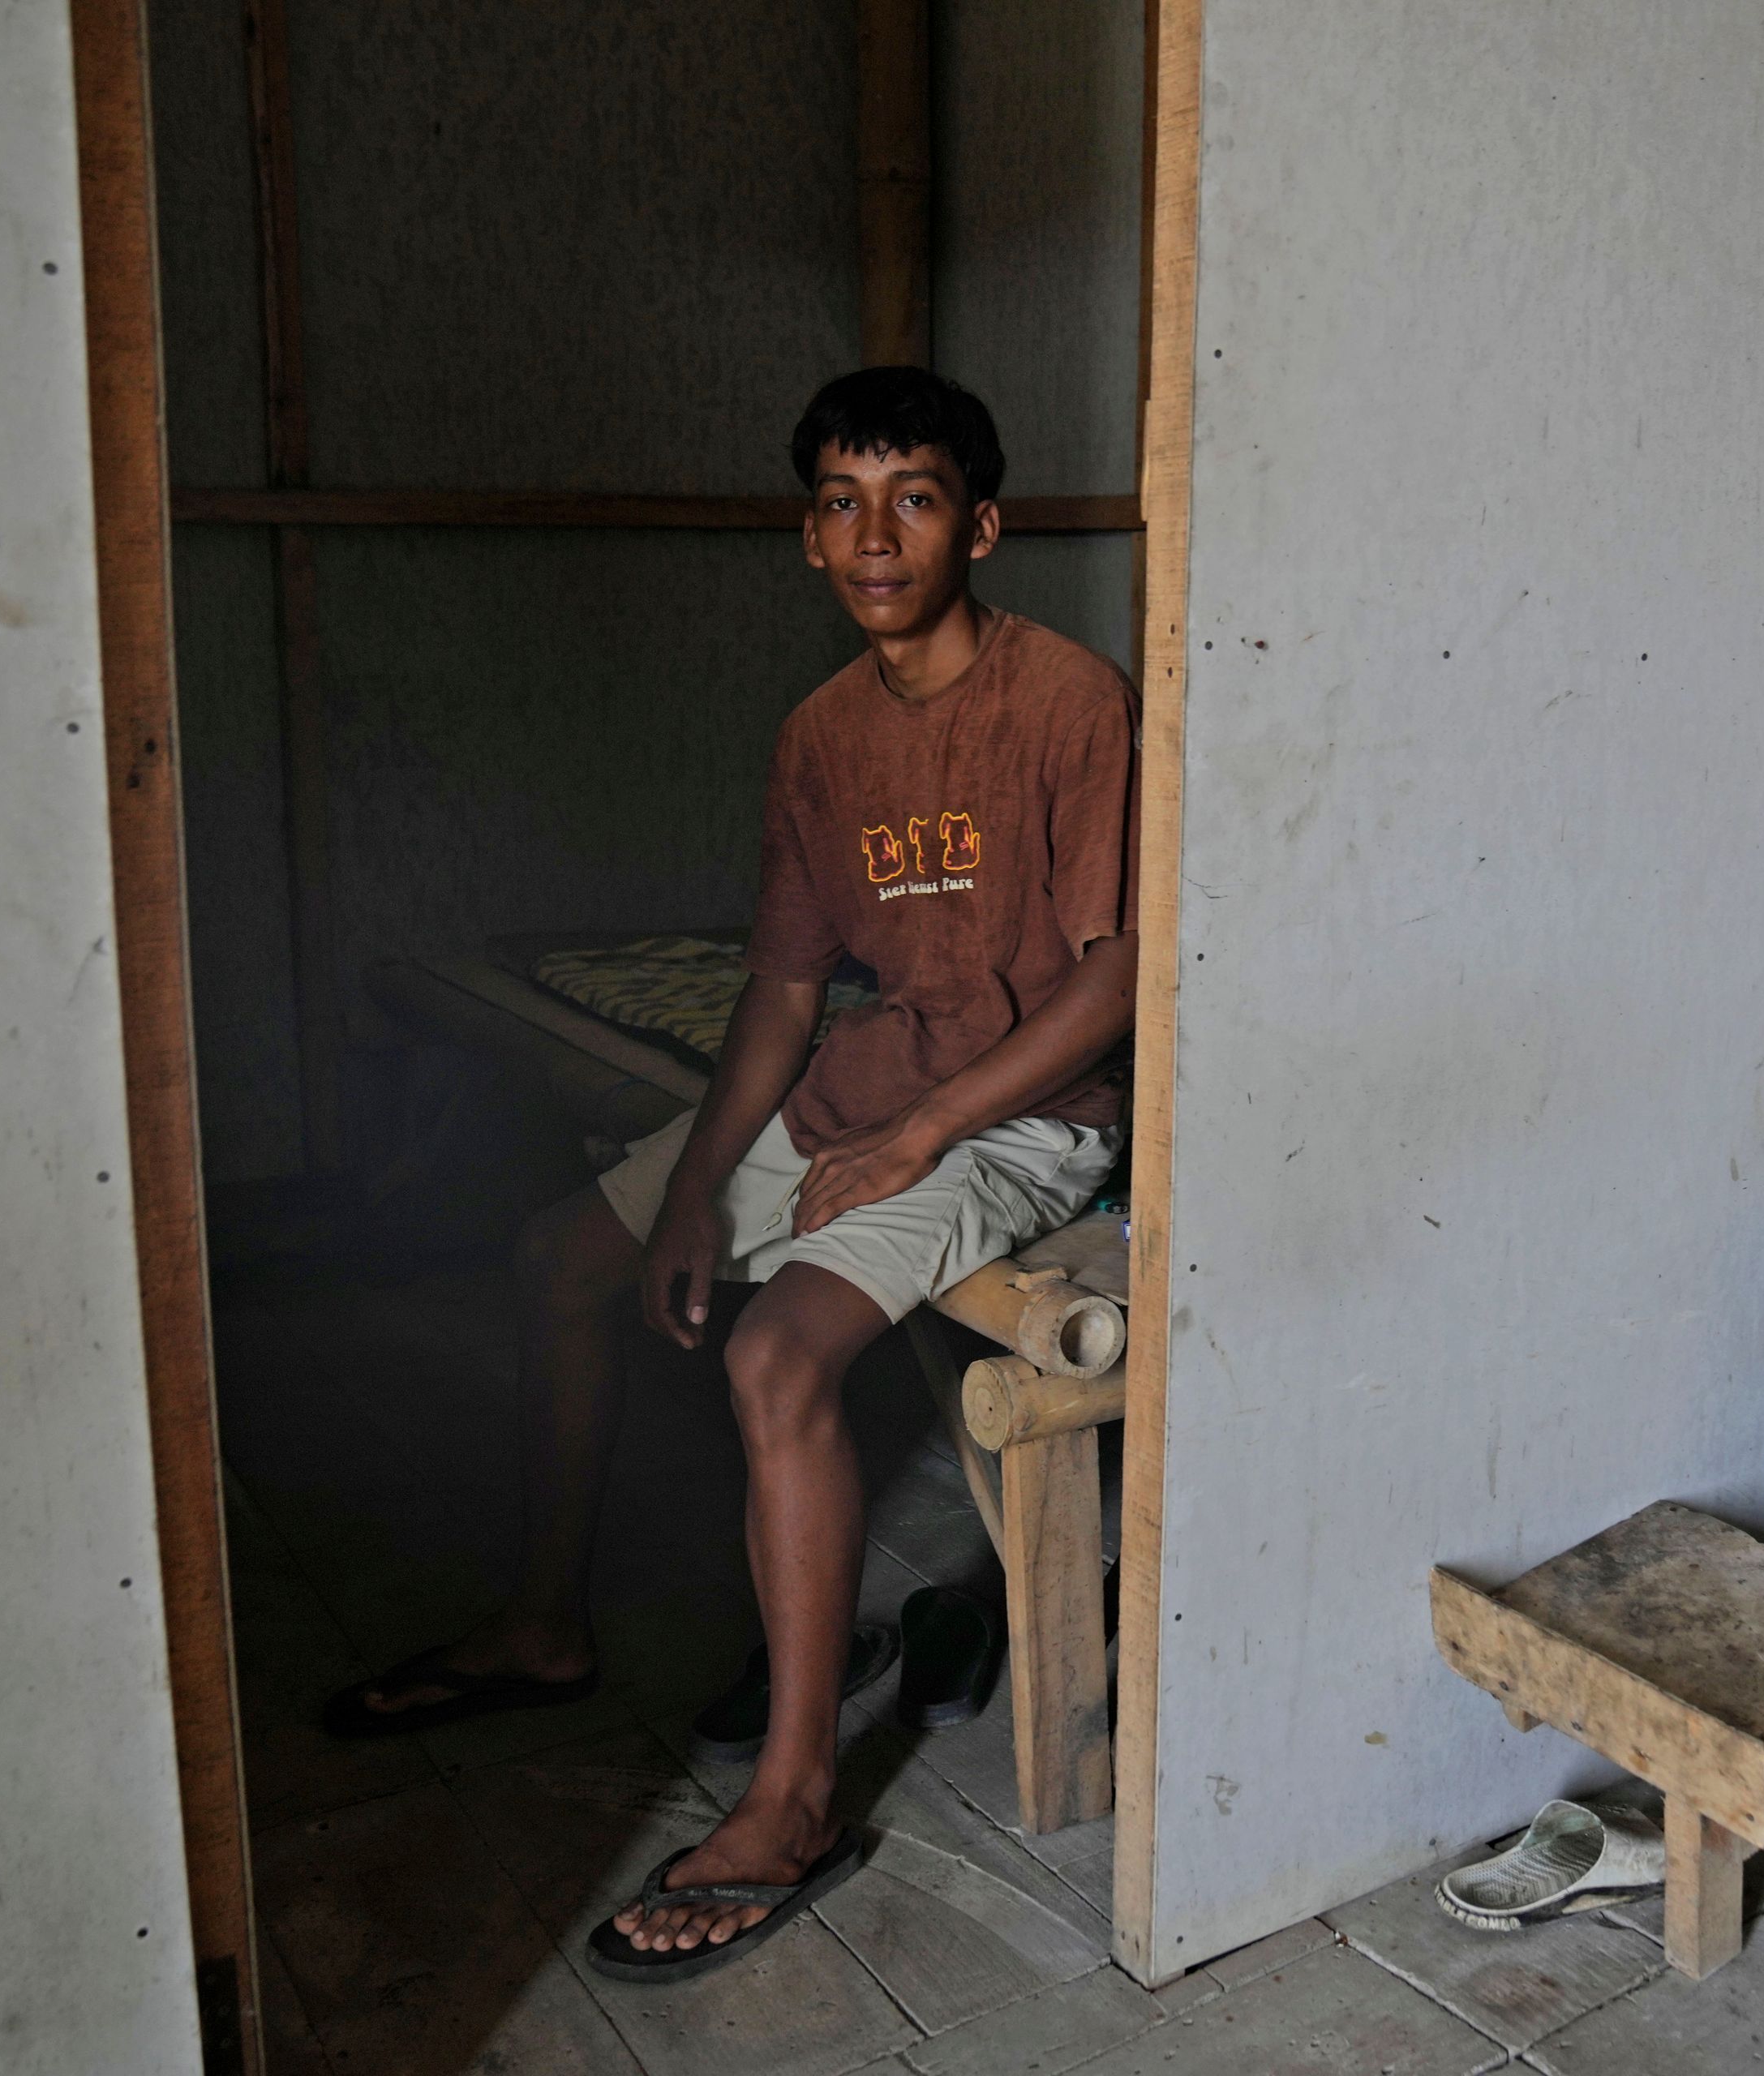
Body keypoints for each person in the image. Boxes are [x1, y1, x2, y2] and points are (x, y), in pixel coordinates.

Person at [320, 367, 1140, 1978]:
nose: (875, 532)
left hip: (1033, 1108)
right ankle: (546, 1624)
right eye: (840, 498)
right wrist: (695, 1188)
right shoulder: (820, 736)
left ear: (982, 522)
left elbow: (1113, 981)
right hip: (880, 1075)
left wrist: (915, 1137)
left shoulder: (1068, 696)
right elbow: (777, 993)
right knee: (567, 1255)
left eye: (912, 496)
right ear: (804, 536)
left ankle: (792, 1797)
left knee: (777, 1351)